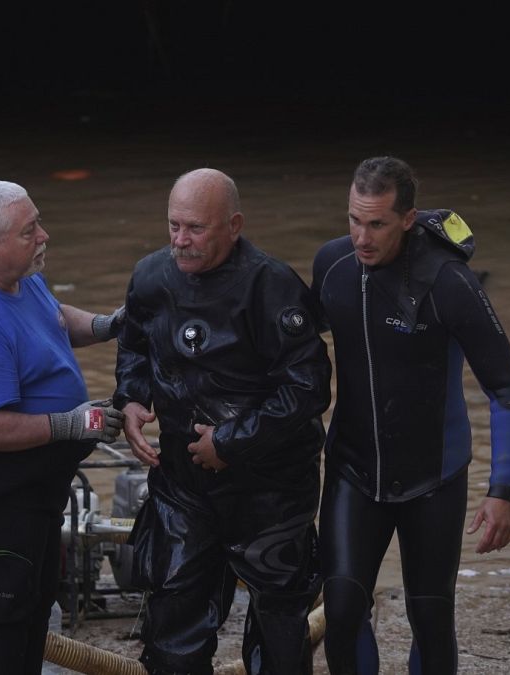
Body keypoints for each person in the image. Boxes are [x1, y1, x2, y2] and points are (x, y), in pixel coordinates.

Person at [310, 157, 510, 675]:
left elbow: (506, 390)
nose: (362, 238)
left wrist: (503, 491)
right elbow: (293, 348)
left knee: (430, 619)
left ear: (408, 219)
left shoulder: (448, 282)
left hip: (433, 476)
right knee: (340, 612)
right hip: (352, 471)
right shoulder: (334, 266)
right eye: (353, 220)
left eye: (377, 224)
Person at [115, 168, 332, 675]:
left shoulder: (271, 286)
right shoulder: (151, 277)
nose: (180, 241)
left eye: (195, 228)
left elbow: (307, 387)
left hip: (269, 487)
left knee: (279, 622)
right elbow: (133, 345)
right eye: (173, 226)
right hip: (182, 486)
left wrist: (231, 442)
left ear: (233, 225)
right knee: (172, 618)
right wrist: (129, 400)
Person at [0, 180, 125, 674]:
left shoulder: (15, 273)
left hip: (35, 480)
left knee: (36, 599)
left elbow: (51, 318)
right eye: (30, 230)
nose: (44, 236)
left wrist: (105, 326)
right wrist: (74, 423)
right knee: (7, 610)